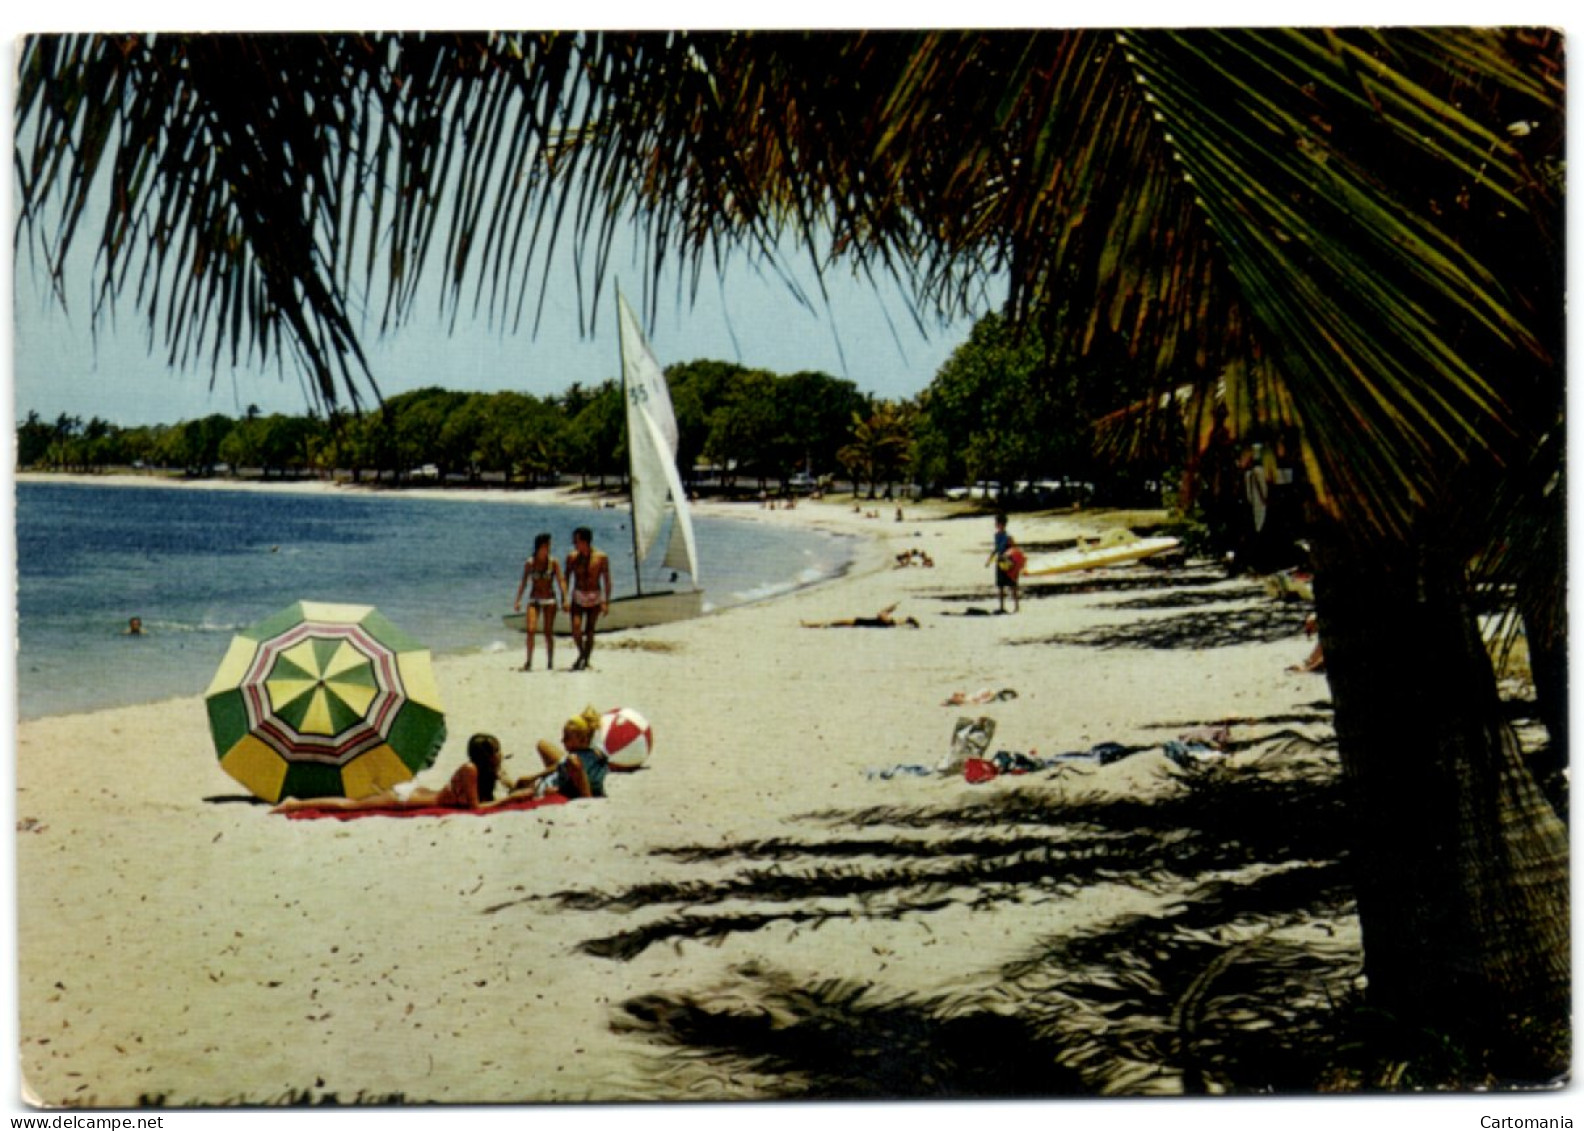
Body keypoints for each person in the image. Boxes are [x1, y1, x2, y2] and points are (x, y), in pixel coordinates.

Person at [273, 734, 505, 813]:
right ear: (485, 756)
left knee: (357, 801)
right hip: (405, 798)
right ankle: (295, 804)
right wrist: (512, 799)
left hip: (417, 792)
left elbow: (508, 786)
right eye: (496, 751)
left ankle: (296, 803)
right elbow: (475, 808)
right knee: (353, 805)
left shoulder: (482, 771)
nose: (500, 754)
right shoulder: (470, 770)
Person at [513, 707, 609, 800]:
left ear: (583, 739)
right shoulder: (595, 753)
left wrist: (556, 790)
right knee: (542, 744)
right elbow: (560, 765)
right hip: (556, 777)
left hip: (552, 785)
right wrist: (534, 776)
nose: (562, 740)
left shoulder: (573, 761)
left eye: (567, 738)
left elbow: (569, 784)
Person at [514, 532, 566, 671]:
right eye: (547, 545)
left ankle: (550, 662)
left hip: (549, 599)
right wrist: (518, 600)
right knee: (530, 630)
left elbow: (561, 580)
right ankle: (529, 661)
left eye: (549, 545)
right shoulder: (530, 562)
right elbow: (524, 582)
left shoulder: (553, 562)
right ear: (540, 546)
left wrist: (565, 598)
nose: (549, 547)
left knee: (548, 632)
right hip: (534, 598)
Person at [564, 526, 611, 671]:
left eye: (576, 541)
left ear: (585, 541)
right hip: (578, 595)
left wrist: (605, 601)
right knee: (576, 629)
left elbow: (607, 580)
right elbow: (565, 579)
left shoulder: (601, 557)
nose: (574, 544)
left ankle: (584, 659)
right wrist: (564, 598)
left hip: (594, 596)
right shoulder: (572, 557)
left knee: (590, 630)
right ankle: (583, 655)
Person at [987, 514, 1020, 613]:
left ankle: (1016, 606)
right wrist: (990, 559)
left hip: (1008, 562)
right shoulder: (996, 536)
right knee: (1000, 585)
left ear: (1001, 524)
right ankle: (1002, 607)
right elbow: (996, 549)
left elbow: (1014, 549)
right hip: (1000, 561)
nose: (995, 524)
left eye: (997, 523)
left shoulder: (1008, 536)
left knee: (1012, 585)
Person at [801, 603, 921, 629]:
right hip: (861, 622)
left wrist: (890, 608)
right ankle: (809, 624)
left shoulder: (888, 622)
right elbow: (882, 614)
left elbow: (880, 614)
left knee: (834, 623)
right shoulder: (891, 622)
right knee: (834, 622)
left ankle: (809, 625)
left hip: (859, 622)